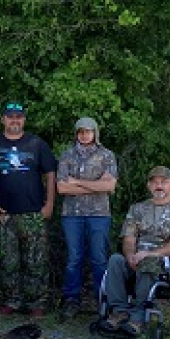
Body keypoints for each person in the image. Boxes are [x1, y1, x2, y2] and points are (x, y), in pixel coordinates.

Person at [0, 102, 57, 318]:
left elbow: (50, 173)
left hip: (34, 212)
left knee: (36, 260)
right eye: (10, 116)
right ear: (3, 119)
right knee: (8, 260)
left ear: (24, 120)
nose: (15, 120)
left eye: (19, 117)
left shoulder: (37, 144)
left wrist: (49, 204)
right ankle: (11, 301)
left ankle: (37, 303)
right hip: (4, 213)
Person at [99, 166, 170, 337]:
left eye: (164, 182)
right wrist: (130, 256)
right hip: (138, 256)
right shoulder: (137, 209)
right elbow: (129, 238)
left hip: (169, 261)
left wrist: (151, 254)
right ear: (149, 186)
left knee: (149, 261)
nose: (159, 186)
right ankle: (119, 312)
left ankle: (138, 316)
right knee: (115, 260)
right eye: (155, 182)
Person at [55, 116, 118, 320]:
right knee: (74, 259)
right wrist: (94, 184)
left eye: (88, 131)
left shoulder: (106, 155)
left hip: (99, 214)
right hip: (72, 215)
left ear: (95, 133)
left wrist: (77, 182)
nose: (84, 135)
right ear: (76, 133)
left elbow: (109, 186)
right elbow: (62, 187)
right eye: (81, 131)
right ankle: (71, 300)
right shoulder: (66, 155)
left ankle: (104, 301)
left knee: (99, 259)